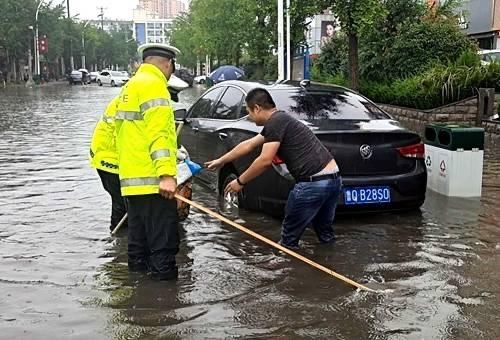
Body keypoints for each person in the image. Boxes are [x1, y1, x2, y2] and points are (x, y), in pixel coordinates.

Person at [205, 88, 342, 250]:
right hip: (334, 180)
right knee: (325, 234)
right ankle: (328, 267)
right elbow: (248, 145)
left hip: (312, 184)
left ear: (257, 108)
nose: (249, 116)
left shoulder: (275, 123)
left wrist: (240, 182)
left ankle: (289, 273)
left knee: (288, 242)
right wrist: (221, 160)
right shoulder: (280, 120)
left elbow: (264, 160)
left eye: (248, 111)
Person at [115, 43, 180, 280]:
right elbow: (159, 134)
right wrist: (166, 175)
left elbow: (118, 133)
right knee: (163, 246)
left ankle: (139, 303)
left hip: (132, 183)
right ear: (167, 63)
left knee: (138, 247)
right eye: (172, 66)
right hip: (154, 184)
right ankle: (165, 309)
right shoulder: (155, 86)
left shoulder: (130, 87)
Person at [89, 96, 127, 232]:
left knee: (123, 203)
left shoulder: (132, 93)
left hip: (108, 153)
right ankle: (120, 241)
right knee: (122, 204)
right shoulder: (135, 101)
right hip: (110, 158)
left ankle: (120, 243)